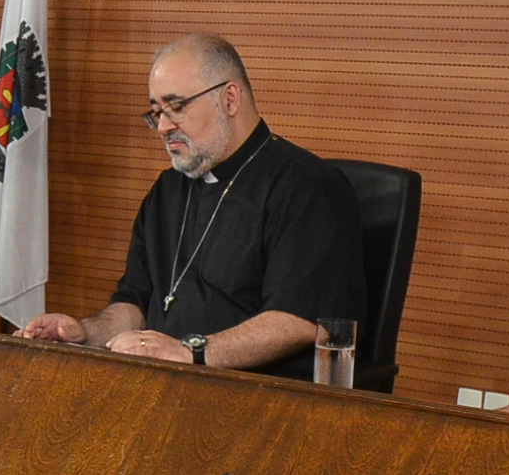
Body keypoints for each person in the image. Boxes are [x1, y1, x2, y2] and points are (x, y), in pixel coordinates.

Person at [19, 34, 364, 381]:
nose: (164, 127)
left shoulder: (308, 187)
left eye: (177, 107)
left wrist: (191, 352)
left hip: (261, 399)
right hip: (166, 386)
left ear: (229, 99)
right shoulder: (167, 191)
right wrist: (84, 333)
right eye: (156, 112)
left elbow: (299, 320)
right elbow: (134, 304)